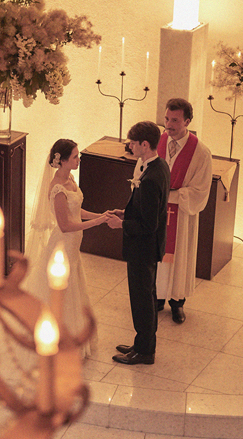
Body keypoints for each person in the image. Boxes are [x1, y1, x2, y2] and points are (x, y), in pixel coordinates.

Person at [23, 139, 113, 357]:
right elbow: (65, 225)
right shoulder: (57, 189)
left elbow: (77, 211)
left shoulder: (71, 179)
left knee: (74, 289)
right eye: (74, 156)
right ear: (61, 161)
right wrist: (97, 222)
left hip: (73, 246)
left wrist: (101, 215)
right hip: (63, 246)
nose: (78, 159)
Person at [109, 121, 170, 365]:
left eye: (133, 143)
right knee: (147, 296)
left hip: (143, 248)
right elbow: (146, 209)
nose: (130, 146)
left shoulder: (151, 177)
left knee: (142, 300)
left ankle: (144, 352)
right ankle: (143, 342)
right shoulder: (158, 165)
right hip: (149, 246)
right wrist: (126, 213)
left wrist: (121, 224)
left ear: (145, 144)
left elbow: (148, 225)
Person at [156, 97, 213, 324]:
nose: (168, 125)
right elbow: (142, 168)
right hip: (157, 210)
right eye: (167, 119)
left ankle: (177, 302)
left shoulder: (201, 152)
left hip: (181, 213)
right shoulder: (157, 142)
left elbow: (201, 189)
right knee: (157, 255)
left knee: (179, 257)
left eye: (175, 120)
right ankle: (157, 297)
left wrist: (173, 195)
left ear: (187, 121)